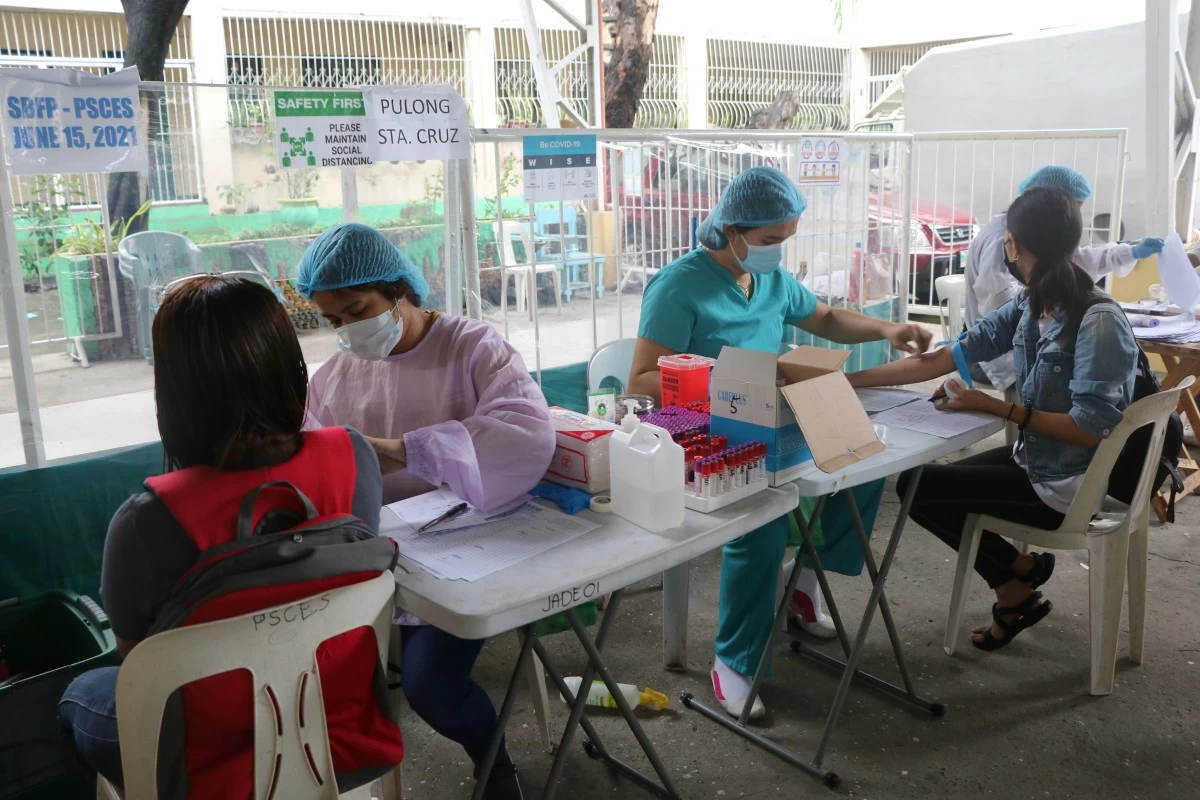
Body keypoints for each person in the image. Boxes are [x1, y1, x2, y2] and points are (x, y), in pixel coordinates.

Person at [58, 275, 402, 795]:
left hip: (204, 761)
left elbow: (139, 659)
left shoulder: (145, 522)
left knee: (77, 697)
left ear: (174, 390)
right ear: (288, 365)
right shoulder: (353, 457)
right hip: (339, 728)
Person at [628, 166, 933, 718]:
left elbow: (828, 317)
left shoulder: (767, 280)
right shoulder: (678, 285)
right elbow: (644, 380)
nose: (778, 253)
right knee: (764, 520)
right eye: (770, 242)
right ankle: (735, 662)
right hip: (707, 428)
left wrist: (887, 331)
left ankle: (803, 584)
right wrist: (736, 378)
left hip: (773, 412)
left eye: (786, 241)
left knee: (861, 464)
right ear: (731, 230)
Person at [298, 223, 555, 800]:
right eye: (333, 320)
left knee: (429, 685)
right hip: (384, 549)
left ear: (398, 290)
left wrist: (402, 449)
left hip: (473, 542)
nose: (347, 330)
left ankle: (493, 760)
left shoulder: (473, 347)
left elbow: (526, 436)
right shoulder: (335, 377)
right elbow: (313, 457)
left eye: (357, 309)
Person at [849, 185, 1138, 650]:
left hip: (1075, 482)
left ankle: (1013, 589)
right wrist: (848, 382)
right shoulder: (1031, 305)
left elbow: (1088, 431)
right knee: (920, 485)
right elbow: (943, 359)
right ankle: (1019, 574)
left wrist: (996, 408)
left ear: (1013, 244)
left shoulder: (1096, 320)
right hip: (1040, 459)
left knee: (918, 490)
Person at [964, 165, 1163, 389]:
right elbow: (999, 311)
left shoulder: (1035, 236)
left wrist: (1129, 251)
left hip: (1026, 348)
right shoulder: (1001, 240)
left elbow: (1078, 260)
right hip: (996, 359)